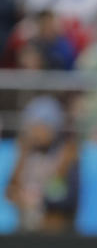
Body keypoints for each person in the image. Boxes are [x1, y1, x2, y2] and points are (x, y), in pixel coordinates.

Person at [4, 95, 79, 233]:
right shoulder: (25, 152)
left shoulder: (66, 154)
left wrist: (39, 199)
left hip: (53, 232)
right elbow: (10, 192)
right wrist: (22, 156)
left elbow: (66, 199)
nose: (35, 131)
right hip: (26, 230)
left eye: (40, 126)